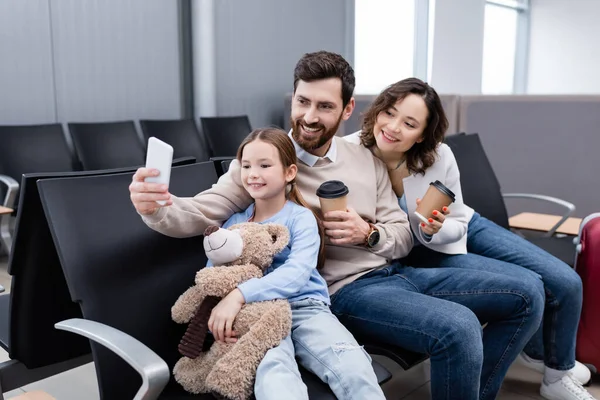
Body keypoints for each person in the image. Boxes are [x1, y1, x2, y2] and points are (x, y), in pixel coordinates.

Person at [129, 50, 544, 400]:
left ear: (347, 110)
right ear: (291, 98)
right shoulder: (266, 162)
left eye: (324, 106)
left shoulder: (364, 157)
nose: (309, 116)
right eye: (302, 102)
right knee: (458, 328)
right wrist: (156, 207)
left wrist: (371, 234)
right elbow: (202, 212)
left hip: (393, 271)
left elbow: (400, 233)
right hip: (344, 293)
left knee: (526, 294)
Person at [345, 77, 595, 400]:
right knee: (529, 287)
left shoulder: (438, 155)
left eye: (409, 123)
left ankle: (552, 364)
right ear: (377, 109)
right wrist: (425, 233)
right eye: (389, 113)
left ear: (422, 133)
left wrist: (435, 229)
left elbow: (459, 220)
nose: (393, 127)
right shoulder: (352, 154)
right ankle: (531, 363)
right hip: (419, 249)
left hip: (457, 227)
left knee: (565, 280)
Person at [203, 127, 386, 399]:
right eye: (246, 166)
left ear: (289, 172)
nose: (253, 173)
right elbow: (213, 276)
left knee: (354, 368)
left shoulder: (301, 218)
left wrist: (239, 295)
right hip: (258, 315)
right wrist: (221, 315)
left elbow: (297, 272)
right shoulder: (233, 225)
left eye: (264, 165)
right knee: (275, 376)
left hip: (305, 308)